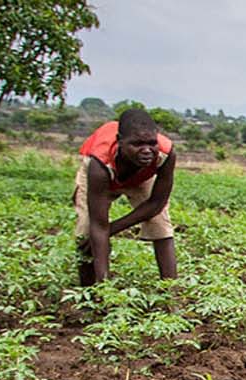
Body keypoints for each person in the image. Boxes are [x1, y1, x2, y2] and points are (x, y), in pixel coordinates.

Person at [75, 109, 178, 286]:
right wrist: (105, 288)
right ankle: (92, 291)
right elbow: (98, 225)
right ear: (120, 141)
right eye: (137, 144)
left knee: (160, 225)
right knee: (87, 232)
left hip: (141, 177)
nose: (147, 150)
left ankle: (171, 292)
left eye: (151, 143)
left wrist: (112, 228)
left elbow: (156, 204)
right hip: (106, 175)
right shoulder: (99, 164)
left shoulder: (165, 154)